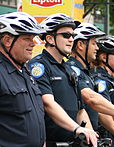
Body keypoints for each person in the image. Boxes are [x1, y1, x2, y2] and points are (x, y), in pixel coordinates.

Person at [28, 13, 98, 146]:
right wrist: (77, 128)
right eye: (66, 35)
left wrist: (91, 137)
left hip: (73, 142)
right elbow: (48, 104)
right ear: (50, 39)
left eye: (73, 35)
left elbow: (80, 111)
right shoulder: (39, 66)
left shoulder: (69, 69)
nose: (71, 39)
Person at [66, 23, 114, 133]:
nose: (97, 48)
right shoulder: (72, 70)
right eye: (94, 43)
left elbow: (96, 110)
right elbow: (93, 100)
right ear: (80, 45)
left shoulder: (85, 72)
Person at [0, 12, 45, 147]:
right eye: (27, 38)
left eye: (34, 38)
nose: (33, 44)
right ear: (8, 40)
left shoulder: (25, 71)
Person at [90, 35, 114, 141]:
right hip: (105, 136)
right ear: (104, 57)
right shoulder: (99, 80)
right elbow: (103, 112)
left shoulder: (109, 77)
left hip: (111, 133)